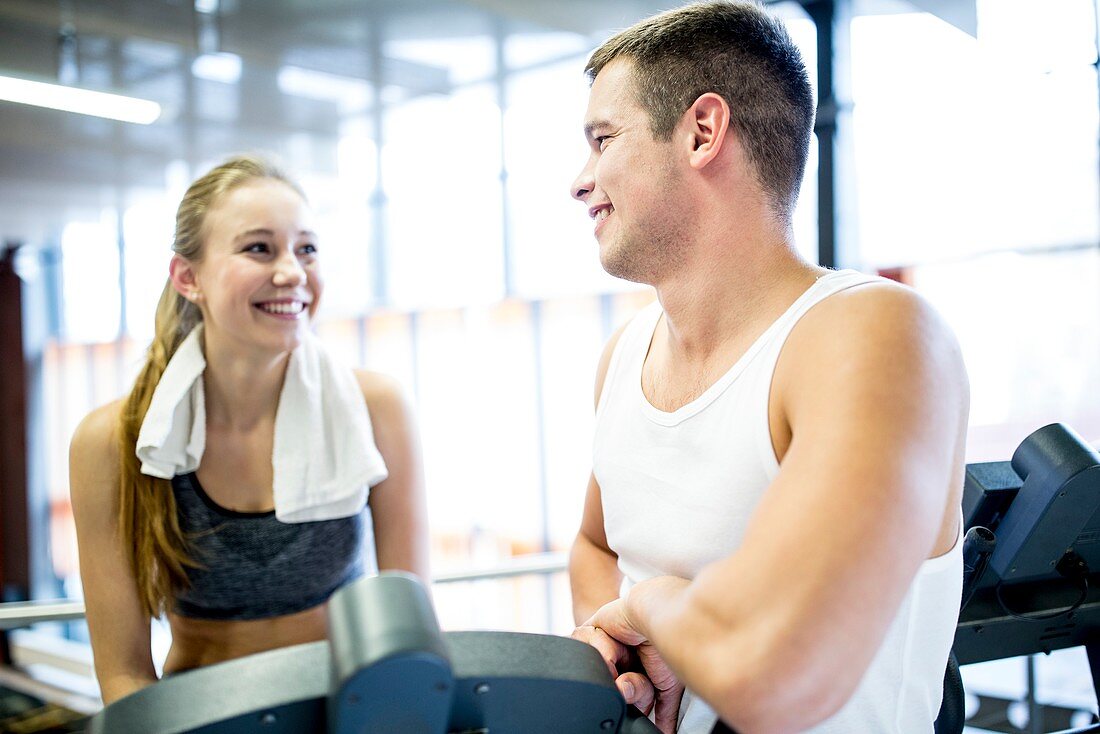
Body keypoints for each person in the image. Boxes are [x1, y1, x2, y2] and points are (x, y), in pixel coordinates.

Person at [566, 2, 969, 732]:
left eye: (602, 140)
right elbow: (596, 544)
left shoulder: (872, 334)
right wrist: (616, 644)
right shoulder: (621, 359)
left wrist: (651, 606)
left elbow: (769, 666)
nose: (580, 179)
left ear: (702, 132)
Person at [69, 155, 429, 704]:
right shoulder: (112, 442)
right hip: (201, 720)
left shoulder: (376, 408)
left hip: (347, 712)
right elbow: (123, 677)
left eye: (306, 248)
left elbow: (412, 633)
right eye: (259, 248)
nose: (292, 272)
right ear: (189, 278)